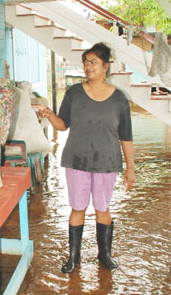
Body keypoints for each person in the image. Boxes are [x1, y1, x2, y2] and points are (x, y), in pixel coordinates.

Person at [38, 43, 135, 273]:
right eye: (85, 62)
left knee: (102, 207)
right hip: (77, 160)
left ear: (105, 66)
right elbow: (62, 126)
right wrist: (50, 115)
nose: (88, 66)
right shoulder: (74, 93)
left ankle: (105, 255)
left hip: (107, 163)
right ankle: (74, 257)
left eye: (93, 62)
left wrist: (131, 168)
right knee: (78, 207)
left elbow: (126, 136)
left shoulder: (120, 99)